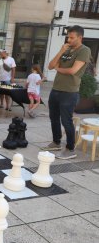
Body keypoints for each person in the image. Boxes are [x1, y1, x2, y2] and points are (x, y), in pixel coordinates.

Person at [42, 25, 91, 159]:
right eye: (67, 37)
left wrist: (57, 68)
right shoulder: (66, 49)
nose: (68, 40)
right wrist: (60, 51)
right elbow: (50, 66)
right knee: (53, 117)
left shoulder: (84, 50)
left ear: (80, 37)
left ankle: (70, 149)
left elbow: (72, 71)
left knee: (66, 121)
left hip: (69, 92)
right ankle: (56, 142)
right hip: (56, 89)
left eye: (72, 37)